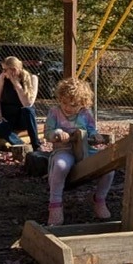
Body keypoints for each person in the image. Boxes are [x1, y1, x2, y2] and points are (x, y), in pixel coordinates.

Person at [43, 75, 114, 226]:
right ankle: (55, 204)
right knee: (61, 165)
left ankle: (99, 199)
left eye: (73, 105)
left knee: (109, 168)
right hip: (64, 150)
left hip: (85, 150)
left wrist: (95, 136)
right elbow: (48, 133)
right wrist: (57, 133)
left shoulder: (86, 114)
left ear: (83, 103)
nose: (68, 107)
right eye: (64, 102)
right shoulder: (55, 112)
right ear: (59, 99)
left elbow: (91, 130)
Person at [0, 56, 40, 149]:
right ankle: (21, 145)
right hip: (8, 115)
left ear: (13, 69)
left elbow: (28, 104)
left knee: (29, 110)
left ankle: (36, 145)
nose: (3, 72)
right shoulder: (3, 78)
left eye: (5, 70)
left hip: (23, 117)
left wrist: (17, 84)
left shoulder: (32, 78)